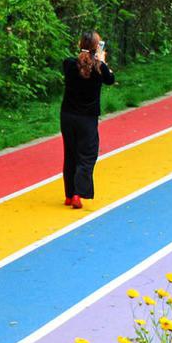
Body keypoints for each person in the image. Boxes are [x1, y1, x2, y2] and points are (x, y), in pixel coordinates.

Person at [59, 31, 114, 209]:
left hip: (67, 116)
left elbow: (79, 65)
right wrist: (102, 60)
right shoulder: (99, 68)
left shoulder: (68, 64)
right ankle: (77, 194)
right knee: (87, 155)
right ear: (96, 47)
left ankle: (69, 194)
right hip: (87, 118)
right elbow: (110, 79)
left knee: (70, 153)